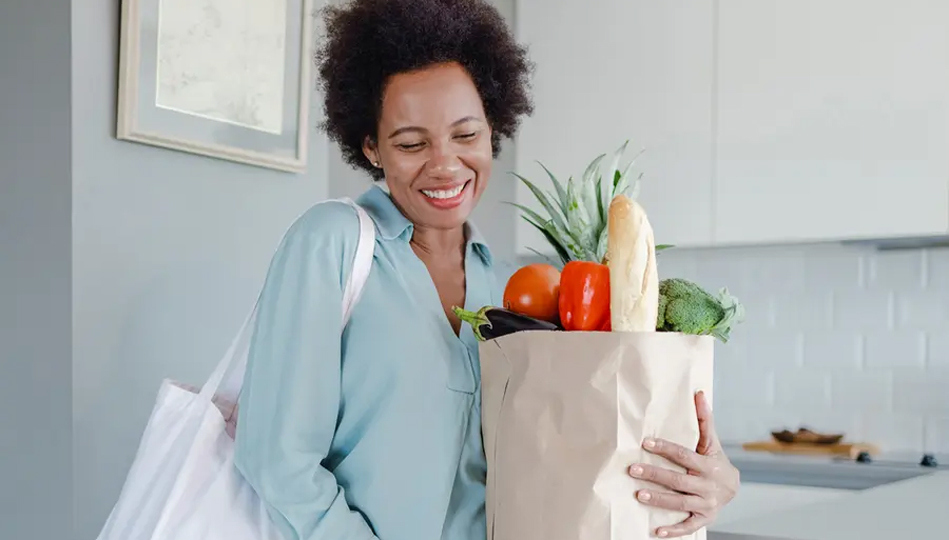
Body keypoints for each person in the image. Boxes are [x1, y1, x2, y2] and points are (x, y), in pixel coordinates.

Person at [232, 0, 740, 539]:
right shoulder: (330, 243)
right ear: (371, 147)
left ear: (494, 131)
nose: (446, 164)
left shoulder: (516, 291)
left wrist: (714, 480)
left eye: (467, 135)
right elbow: (277, 460)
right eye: (411, 143)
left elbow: (573, 452)